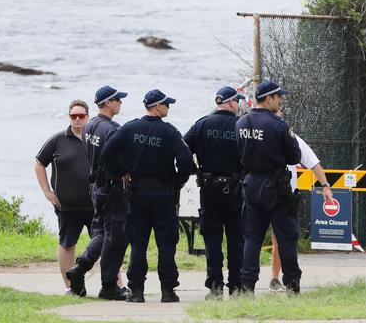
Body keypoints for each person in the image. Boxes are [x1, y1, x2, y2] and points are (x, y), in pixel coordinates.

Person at [102, 89, 193, 304]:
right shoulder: (170, 132)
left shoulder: (129, 128)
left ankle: (136, 291)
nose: (168, 108)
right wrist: (177, 182)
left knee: (138, 244)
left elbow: (107, 154)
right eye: (167, 105)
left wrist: (121, 172)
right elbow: (186, 161)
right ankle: (168, 291)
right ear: (158, 107)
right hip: (163, 194)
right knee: (166, 244)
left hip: (136, 193)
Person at [236, 80, 302, 295]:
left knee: (252, 238)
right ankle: (292, 284)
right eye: (278, 96)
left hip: (251, 184)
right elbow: (294, 156)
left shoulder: (241, 123)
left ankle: (246, 285)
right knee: (286, 236)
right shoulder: (278, 125)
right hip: (276, 187)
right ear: (268, 99)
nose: (281, 100)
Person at [66, 86, 129, 300]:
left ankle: (79, 268)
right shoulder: (111, 129)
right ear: (108, 102)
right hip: (111, 188)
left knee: (101, 232)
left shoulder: (89, 126)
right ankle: (109, 285)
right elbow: (116, 158)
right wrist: (123, 172)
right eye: (118, 100)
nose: (120, 103)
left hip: (96, 187)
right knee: (116, 238)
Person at [184, 86, 245, 299]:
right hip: (236, 190)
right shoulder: (241, 125)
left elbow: (183, 149)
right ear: (230, 102)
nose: (239, 105)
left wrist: (194, 170)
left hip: (209, 189)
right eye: (238, 101)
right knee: (236, 239)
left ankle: (216, 287)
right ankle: (237, 286)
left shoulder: (202, 124)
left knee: (212, 238)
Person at [35, 99, 94, 294]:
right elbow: (39, 164)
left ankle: (114, 284)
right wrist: (47, 192)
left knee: (107, 244)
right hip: (67, 205)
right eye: (73, 116)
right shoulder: (58, 140)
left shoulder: (95, 138)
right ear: (69, 117)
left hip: (96, 204)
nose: (77, 119)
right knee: (67, 244)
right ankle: (71, 287)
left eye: (81, 116)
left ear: (88, 116)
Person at [269, 124, 333, 291]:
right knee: (274, 238)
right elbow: (313, 163)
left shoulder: (291, 138)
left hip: (270, 193)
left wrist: (325, 185)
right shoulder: (274, 135)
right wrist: (325, 185)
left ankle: (270, 280)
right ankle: (283, 281)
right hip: (276, 193)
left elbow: (312, 162)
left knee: (274, 238)